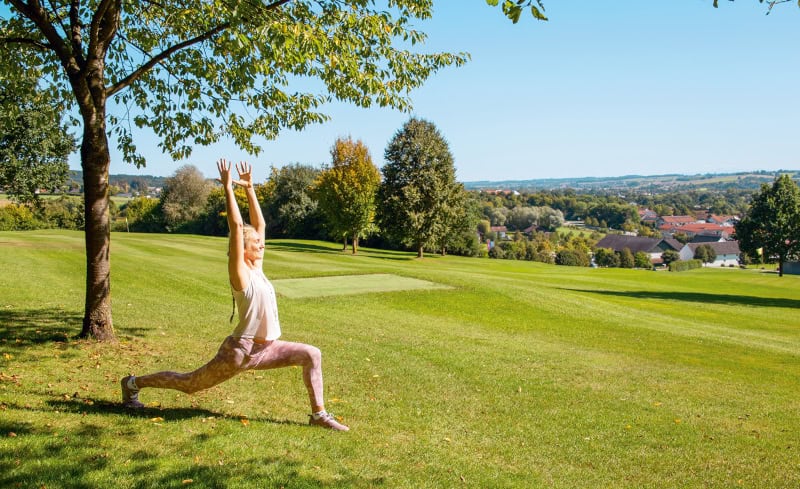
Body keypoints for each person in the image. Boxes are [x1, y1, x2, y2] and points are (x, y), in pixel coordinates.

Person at [120, 159, 349, 431]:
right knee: (190, 384)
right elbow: (238, 227)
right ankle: (133, 383)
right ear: (243, 248)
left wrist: (250, 189)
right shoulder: (240, 273)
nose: (262, 244)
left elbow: (259, 225)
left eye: (261, 242)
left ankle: (318, 415)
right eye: (255, 243)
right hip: (239, 352)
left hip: (269, 348)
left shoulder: (259, 268)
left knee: (312, 354)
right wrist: (229, 188)